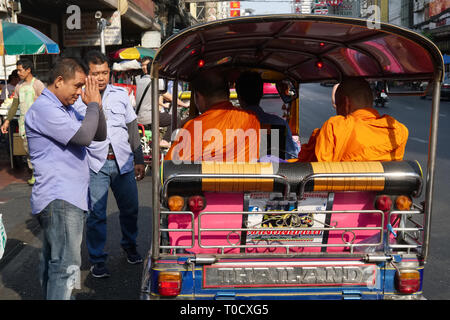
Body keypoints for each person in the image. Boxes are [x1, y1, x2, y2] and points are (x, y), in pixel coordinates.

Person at [24, 58, 106, 300]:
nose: (80, 92)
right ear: (59, 81)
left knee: (55, 265)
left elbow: (98, 134)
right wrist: (92, 106)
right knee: (65, 267)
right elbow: (83, 137)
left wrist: (96, 107)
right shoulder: (44, 109)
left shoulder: (65, 108)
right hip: (60, 199)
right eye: (77, 86)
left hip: (67, 198)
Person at [73, 50, 145, 279]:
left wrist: (139, 158)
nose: (102, 77)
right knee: (96, 215)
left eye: (105, 72)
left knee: (130, 209)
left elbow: (132, 128)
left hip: (123, 162)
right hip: (95, 165)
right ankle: (97, 259)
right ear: (86, 75)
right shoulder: (78, 99)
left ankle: (130, 245)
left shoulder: (121, 94)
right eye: (96, 73)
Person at [297, 78, 408, 162]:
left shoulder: (335, 127)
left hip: (341, 192)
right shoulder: (397, 130)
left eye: (337, 105)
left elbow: (313, 169)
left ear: (346, 103)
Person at [165, 69, 261, 162]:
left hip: (207, 178)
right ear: (228, 93)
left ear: (199, 97)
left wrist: (182, 128)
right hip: (246, 177)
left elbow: (169, 166)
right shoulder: (251, 119)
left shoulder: (194, 127)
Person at [235, 71, 300, 160]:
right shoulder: (279, 123)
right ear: (261, 94)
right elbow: (291, 155)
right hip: (273, 173)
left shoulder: (231, 125)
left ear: (239, 96)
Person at [1, 59, 46, 185]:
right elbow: (15, 105)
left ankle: (39, 173)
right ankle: (34, 172)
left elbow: (47, 102)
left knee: (38, 149)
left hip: (38, 124)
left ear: (28, 70)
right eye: (18, 70)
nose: (18, 73)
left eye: (20, 70)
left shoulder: (37, 84)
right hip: (24, 123)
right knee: (27, 149)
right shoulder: (19, 86)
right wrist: (7, 121)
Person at [135, 58, 185, 147]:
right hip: (149, 117)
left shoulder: (140, 80)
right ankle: (165, 141)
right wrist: (185, 104)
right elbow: (169, 96)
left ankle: (156, 146)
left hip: (138, 117)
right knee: (176, 119)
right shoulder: (157, 82)